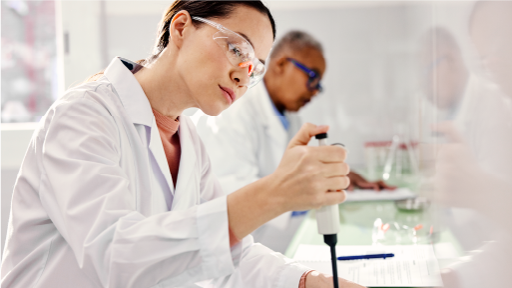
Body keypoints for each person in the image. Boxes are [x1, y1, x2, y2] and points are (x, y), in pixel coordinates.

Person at [0, 1, 364, 288]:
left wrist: (306, 281)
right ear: (181, 27)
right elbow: (118, 259)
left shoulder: (188, 141)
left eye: (256, 67)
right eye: (238, 49)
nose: (243, 74)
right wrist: (274, 194)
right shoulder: (83, 115)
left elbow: (227, 259)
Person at [193, 30, 394, 253]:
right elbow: (234, 196)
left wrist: (342, 175)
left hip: (265, 247)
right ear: (281, 65)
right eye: (312, 77)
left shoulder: (290, 118)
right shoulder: (233, 113)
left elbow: (297, 173)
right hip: (228, 255)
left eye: (319, 84)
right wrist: (312, 187)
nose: (315, 91)